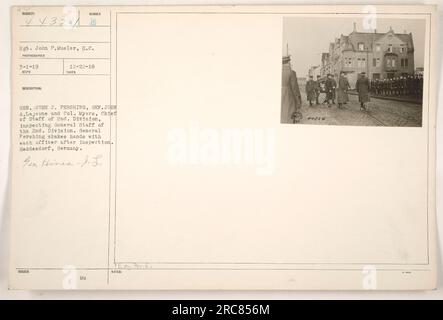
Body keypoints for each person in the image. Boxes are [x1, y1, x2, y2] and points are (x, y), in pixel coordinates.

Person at [281, 56, 301, 123]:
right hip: (288, 99)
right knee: (288, 119)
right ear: (288, 62)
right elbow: (295, 89)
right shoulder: (291, 72)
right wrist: (298, 103)